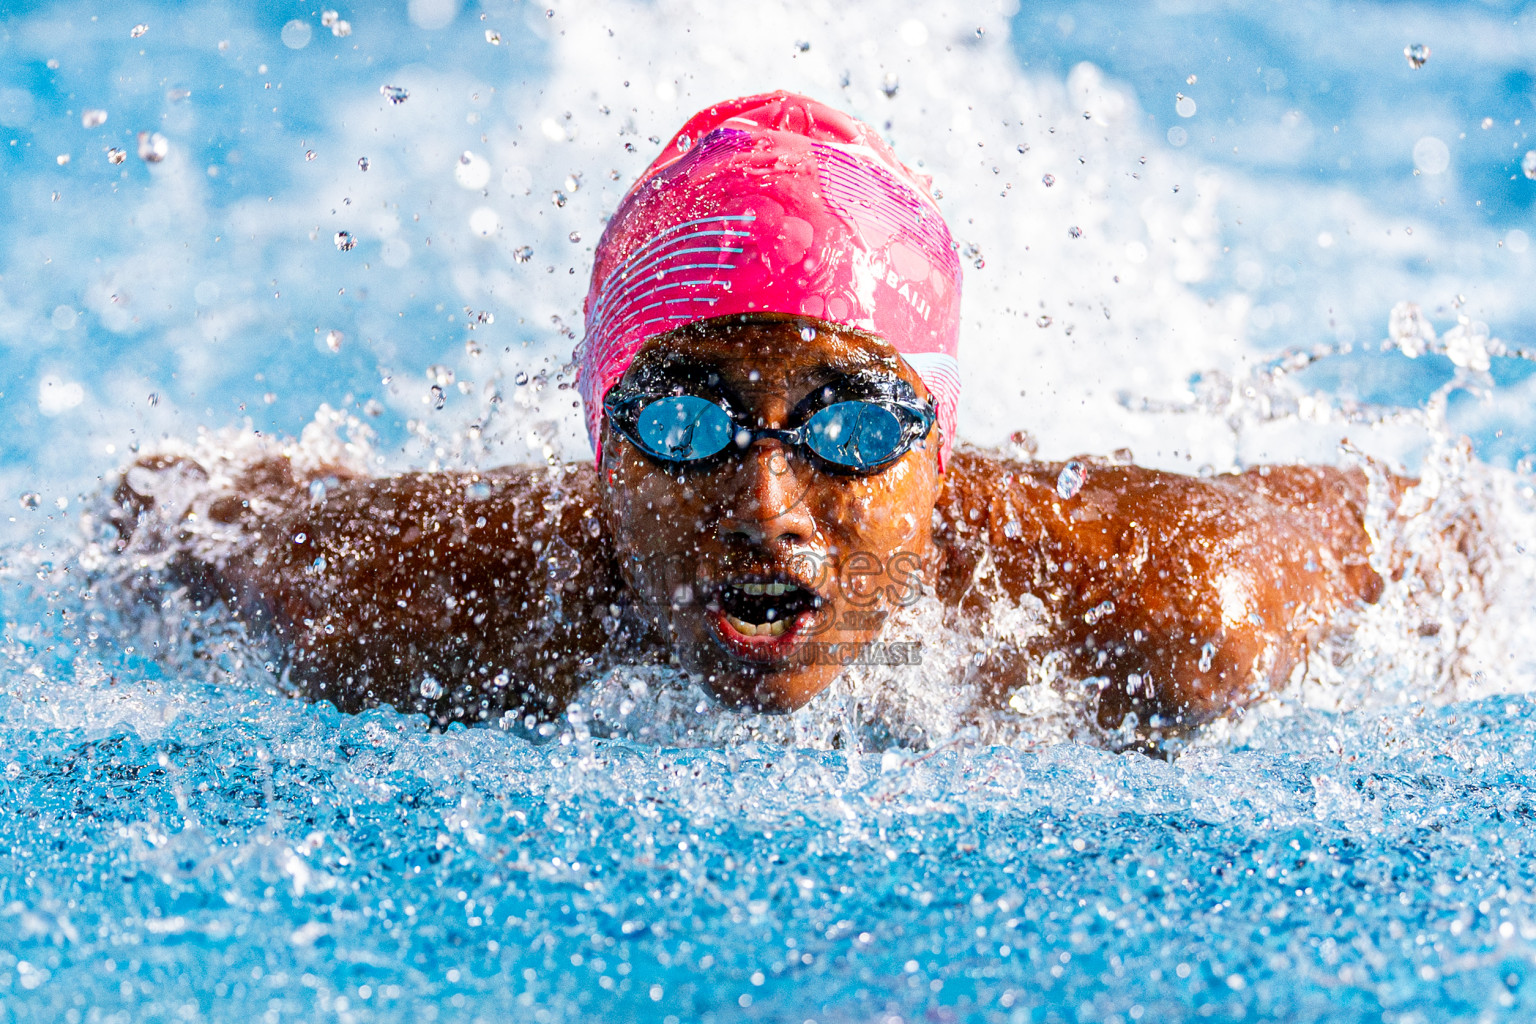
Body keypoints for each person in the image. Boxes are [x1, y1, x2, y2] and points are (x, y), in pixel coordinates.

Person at [111, 92, 1396, 751]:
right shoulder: (415, 603)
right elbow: (166, 502)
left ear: (940, 450)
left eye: (850, 429)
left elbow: (1414, 525)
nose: (767, 504)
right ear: (601, 449)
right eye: (682, 424)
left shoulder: (1173, 600)